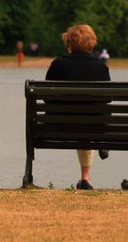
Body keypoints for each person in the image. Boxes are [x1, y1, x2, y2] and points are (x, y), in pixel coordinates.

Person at [45, 24, 111, 190]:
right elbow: (108, 98)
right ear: (91, 43)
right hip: (93, 127)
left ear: (69, 43)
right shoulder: (100, 66)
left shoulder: (58, 64)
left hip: (58, 126)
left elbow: (47, 97)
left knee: (81, 120)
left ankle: (85, 178)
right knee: (89, 121)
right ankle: (86, 177)